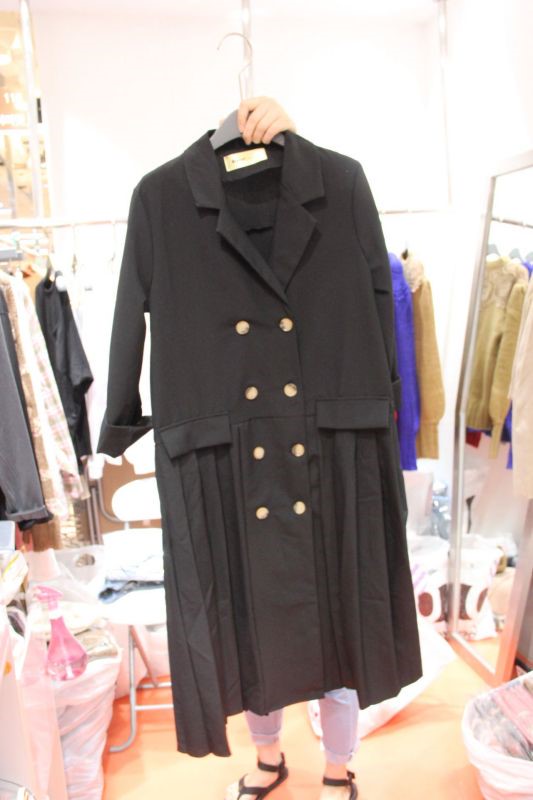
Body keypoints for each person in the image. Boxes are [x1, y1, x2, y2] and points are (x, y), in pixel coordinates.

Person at [223, 97, 360, 800]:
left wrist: (382, 412)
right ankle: (270, 757)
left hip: (325, 449)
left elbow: (371, 297)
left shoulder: (340, 184)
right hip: (244, 455)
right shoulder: (173, 199)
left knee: (335, 626)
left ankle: (338, 768)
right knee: (258, 629)